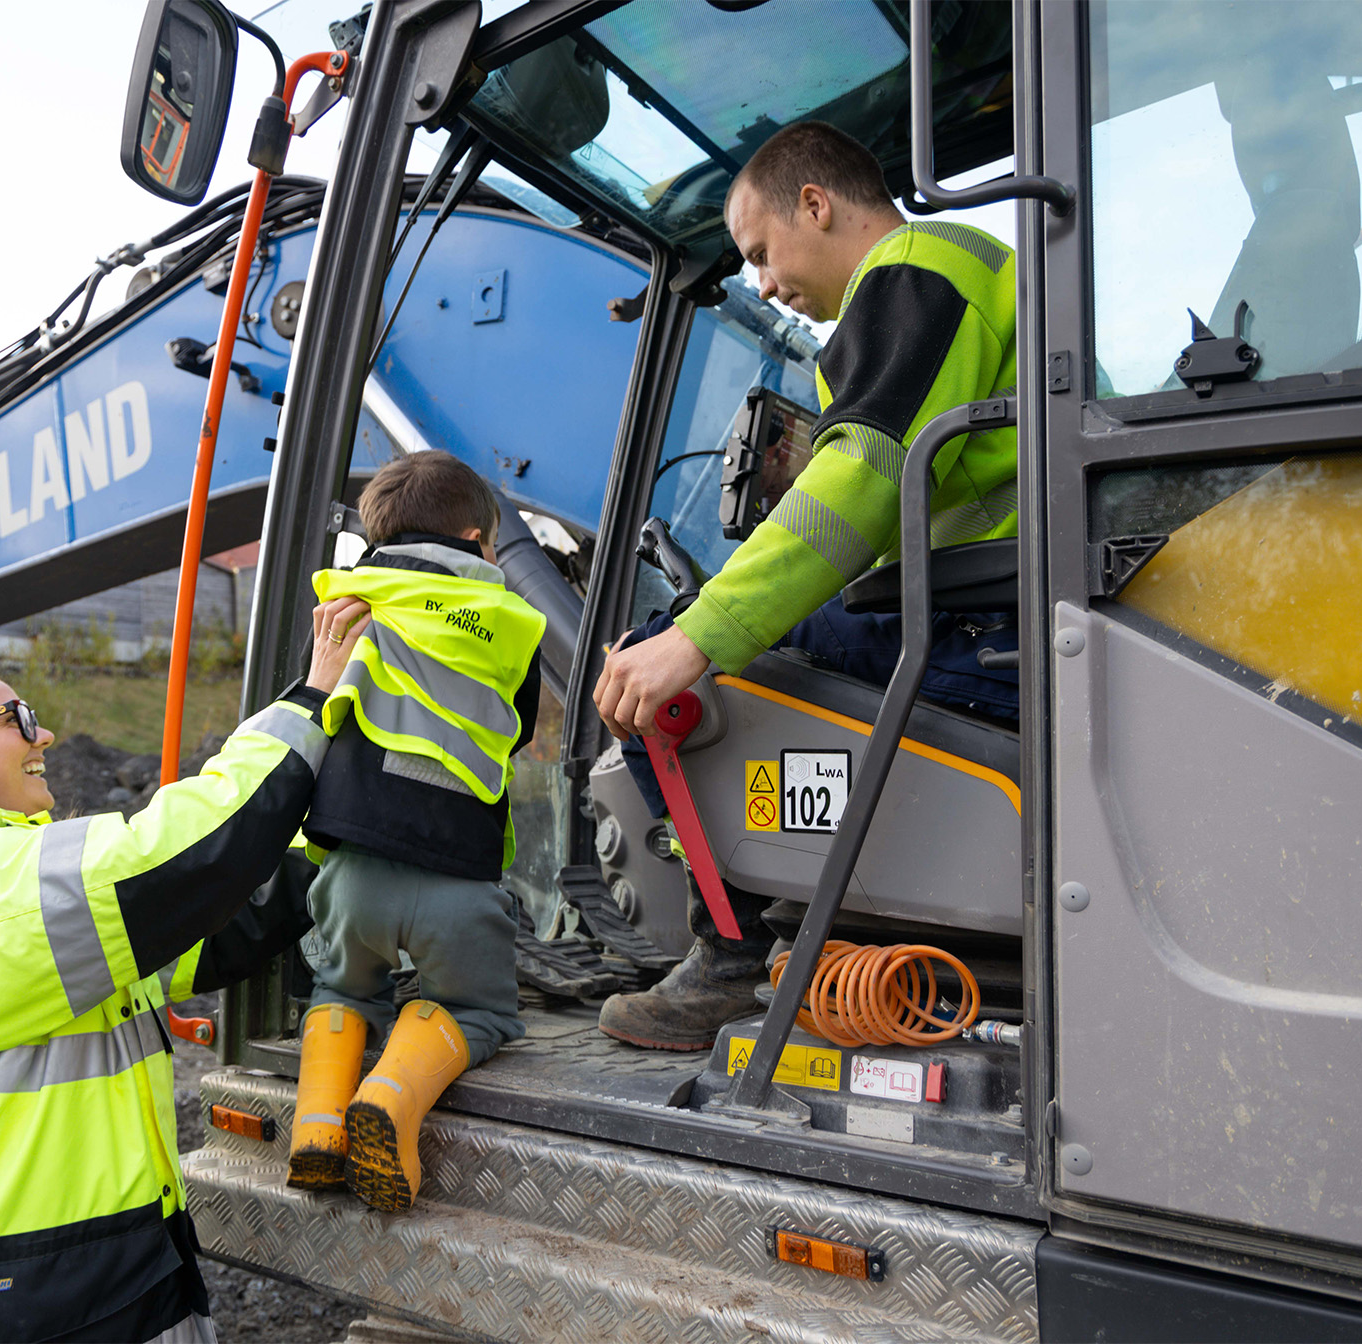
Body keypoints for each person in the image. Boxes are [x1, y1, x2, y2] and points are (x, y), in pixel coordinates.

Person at [0, 595, 369, 1344]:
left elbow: (219, 924)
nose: (42, 732)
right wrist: (310, 700)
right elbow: (192, 854)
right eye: (15, 719)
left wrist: (353, 855)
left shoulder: (8, 901)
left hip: (69, 1280)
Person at [593, 121, 1020, 1051]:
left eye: (759, 251)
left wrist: (697, 635)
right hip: (1002, 611)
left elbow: (856, 483)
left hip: (980, 629)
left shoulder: (918, 266)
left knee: (657, 680)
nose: (761, 283)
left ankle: (734, 955)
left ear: (815, 206)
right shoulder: (985, 277)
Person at [287, 450, 545, 1213]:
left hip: (349, 876)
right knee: (476, 1011)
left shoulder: (345, 606)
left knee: (341, 987)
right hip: (456, 883)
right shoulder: (507, 623)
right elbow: (519, 727)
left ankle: (320, 1125)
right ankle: (393, 1103)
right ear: (473, 535)